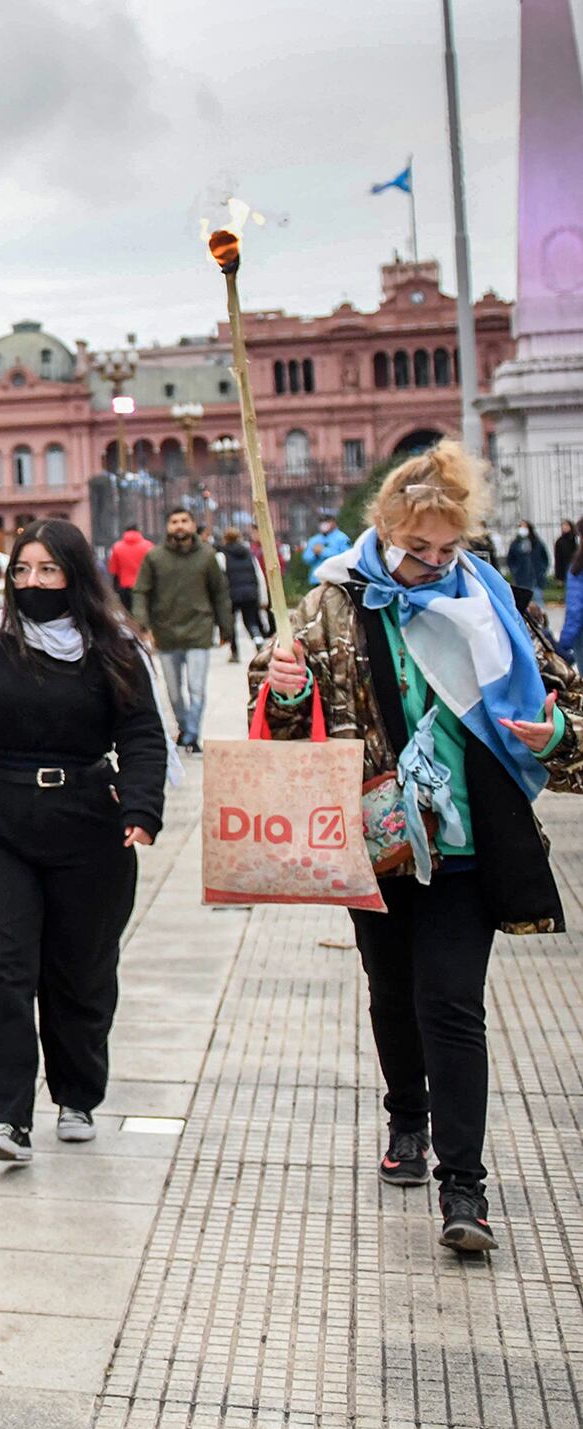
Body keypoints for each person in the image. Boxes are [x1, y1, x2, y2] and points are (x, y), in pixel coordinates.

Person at [256, 440, 581, 1254]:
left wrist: (556, 733)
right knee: (393, 994)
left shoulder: (494, 600)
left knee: (452, 1004)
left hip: (471, 845)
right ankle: (408, 1114)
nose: (433, 566)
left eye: (448, 550)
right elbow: (282, 737)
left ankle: (463, 1186)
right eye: (416, 551)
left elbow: (566, 707)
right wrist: (287, 690)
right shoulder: (331, 605)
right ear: (384, 534)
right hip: (377, 840)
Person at [0, 519, 167, 1163]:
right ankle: (7, 1118)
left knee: (80, 969)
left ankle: (78, 1092)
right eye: (23, 571)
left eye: (49, 571)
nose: (34, 583)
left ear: (76, 577)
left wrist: (141, 807)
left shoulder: (113, 647)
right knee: (6, 969)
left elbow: (142, 734)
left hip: (88, 822)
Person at [130, 506, 231, 752]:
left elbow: (220, 593)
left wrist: (226, 628)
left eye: (184, 520)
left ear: (192, 524)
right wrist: (142, 625)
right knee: (174, 694)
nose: (180, 526)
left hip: (199, 630)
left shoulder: (207, 555)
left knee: (197, 690)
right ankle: (185, 727)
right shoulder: (154, 557)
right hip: (166, 633)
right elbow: (141, 591)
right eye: (174, 521)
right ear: (167, 526)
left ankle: (191, 736)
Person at [218, 526, 268, 663]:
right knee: (251, 621)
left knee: (231, 624)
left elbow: (219, 579)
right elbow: (259, 575)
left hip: (231, 595)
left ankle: (234, 652)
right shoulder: (249, 554)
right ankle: (258, 640)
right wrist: (263, 597)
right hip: (250, 593)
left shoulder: (222, 556)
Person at [107, 524, 152, 610]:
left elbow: (114, 570)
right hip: (144, 588)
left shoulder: (117, 547)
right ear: (138, 531)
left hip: (125, 588)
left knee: (128, 617)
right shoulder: (149, 546)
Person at [506, 520, 551, 598]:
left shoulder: (537, 543)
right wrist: (515, 571)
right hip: (521, 578)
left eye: (525, 527)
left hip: (536, 577)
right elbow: (511, 559)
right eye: (521, 527)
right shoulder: (515, 543)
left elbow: (544, 558)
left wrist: (542, 570)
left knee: (537, 599)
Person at [554, 518, 579, 586]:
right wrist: (559, 577)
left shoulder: (576, 539)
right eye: (563, 526)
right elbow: (558, 559)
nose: (564, 527)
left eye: (567, 525)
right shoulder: (560, 541)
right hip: (566, 567)